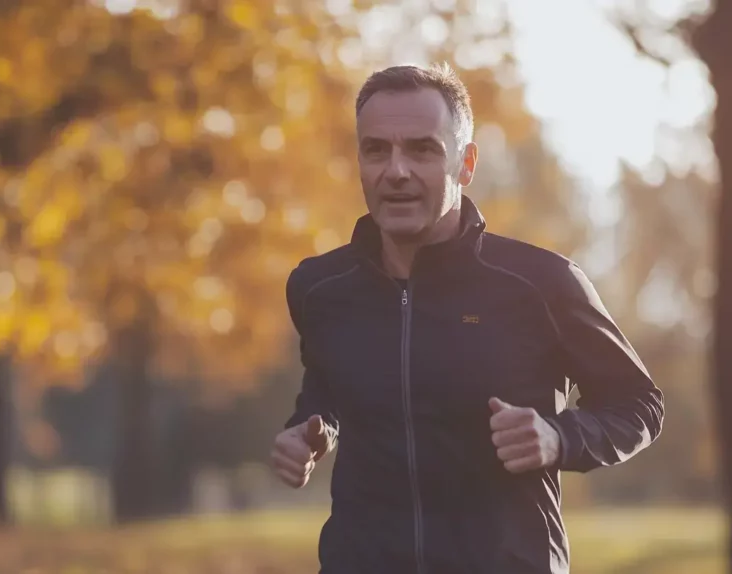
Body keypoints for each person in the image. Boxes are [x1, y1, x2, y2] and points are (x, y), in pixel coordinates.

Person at [270, 63, 665, 574]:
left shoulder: (541, 284)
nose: (396, 171)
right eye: (376, 150)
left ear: (467, 162)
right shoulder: (319, 289)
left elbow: (639, 404)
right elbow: (327, 387)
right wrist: (308, 431)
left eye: (422, 149)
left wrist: (557, 436)